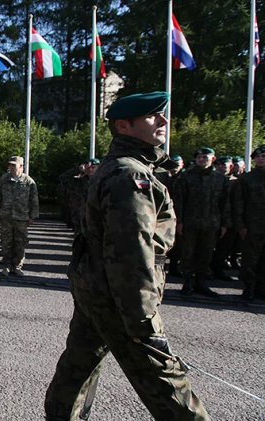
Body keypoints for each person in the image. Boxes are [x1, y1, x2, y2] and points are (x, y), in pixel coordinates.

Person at [44, 92, 209, 420]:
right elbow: (131, 254)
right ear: (124, 126)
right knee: (167, 385)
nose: (163, 122)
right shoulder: (129, 176)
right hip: (121, 298)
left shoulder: (124, 169)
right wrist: (142, 320)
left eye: (162, 116)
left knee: (77, 369)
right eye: (153, 117)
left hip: (99, 289)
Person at [173, 147, 229, 298]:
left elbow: (224, 203)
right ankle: (187, 283)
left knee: (206, 254)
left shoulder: (220, 178)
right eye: (200, 157)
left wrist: (224, 224)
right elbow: (179, 201)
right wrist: (179, 221)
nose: (202, 159)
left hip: (211, 223)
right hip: (190, 223)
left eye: (205, 157)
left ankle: (201, 283)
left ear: (213, 159)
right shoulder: (186, 177)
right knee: (188, 253)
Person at [0, 156, 39, 277]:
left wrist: (32, 216)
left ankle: (17, 266)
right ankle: (6, 266)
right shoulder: (3, 179)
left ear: (21, 167)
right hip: (6, 216)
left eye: (14, 165)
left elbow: (34, 200)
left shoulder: (28, 181)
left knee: (20, 243)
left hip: (21, 218)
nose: (11, 167)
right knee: (6, 242)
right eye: (10, 165)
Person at [233, 145, 265, 301]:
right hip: (252, 226)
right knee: (250, 259)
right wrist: (241, 225)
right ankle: (249, 288)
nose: (260, 159)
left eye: (263, 156)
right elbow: (238, 203)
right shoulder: (246, 178)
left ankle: (262, 289)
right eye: (257, 157)